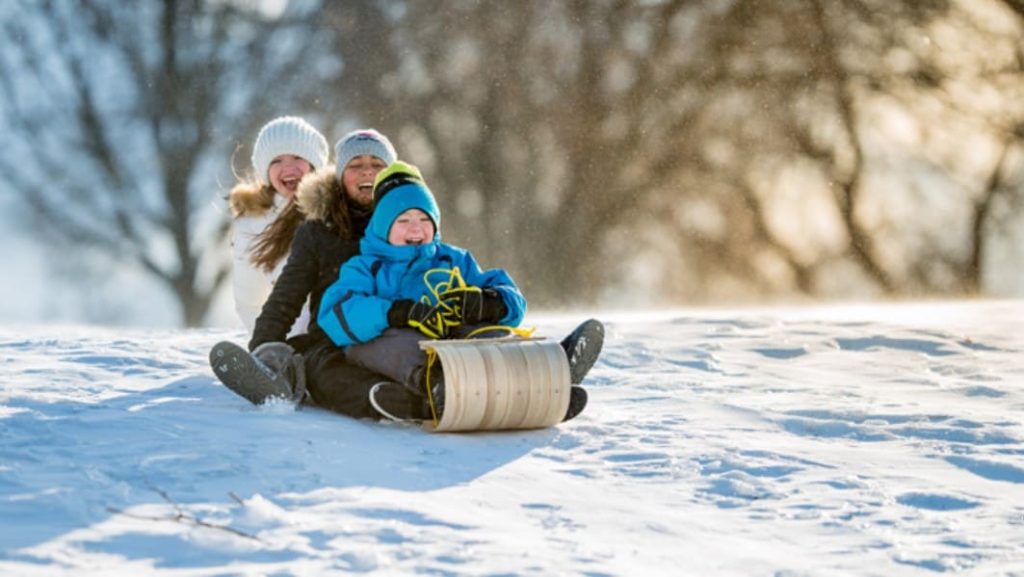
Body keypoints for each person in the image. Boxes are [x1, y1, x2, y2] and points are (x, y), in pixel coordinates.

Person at [317, 161, 598, 423]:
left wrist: (488, 302)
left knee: (489, 334)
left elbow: (509, 295)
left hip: (458, 344)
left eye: (424, 219)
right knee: (383, 344)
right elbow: (336, 312)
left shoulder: (453, 259)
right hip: (406, 351)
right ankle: (438, 385)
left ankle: (548, 373)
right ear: (382, 227)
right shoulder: (366, 267)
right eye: (403, 220)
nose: (416, 228)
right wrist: (396, 312)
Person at [225, 128, 403, 418]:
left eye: (377, 164)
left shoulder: (409, 222)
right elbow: (286, 296)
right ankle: (386, 398)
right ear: (339, 175)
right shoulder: (319, 230)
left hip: (394, 332)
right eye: (355, 165)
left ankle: (424, 391)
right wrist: (263, 349)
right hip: (331, 339)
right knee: (320, 372)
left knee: (395, 354)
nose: (367, 172)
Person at [228, 116, 328, 336]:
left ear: (313, 164)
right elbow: (249, 301)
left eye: (297, 157)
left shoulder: (336, 210)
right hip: (290, 336)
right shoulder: (253, 222)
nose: (288, 167)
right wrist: (270, 339)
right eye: (277, 160)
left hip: (338, 330)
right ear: (265, 170)